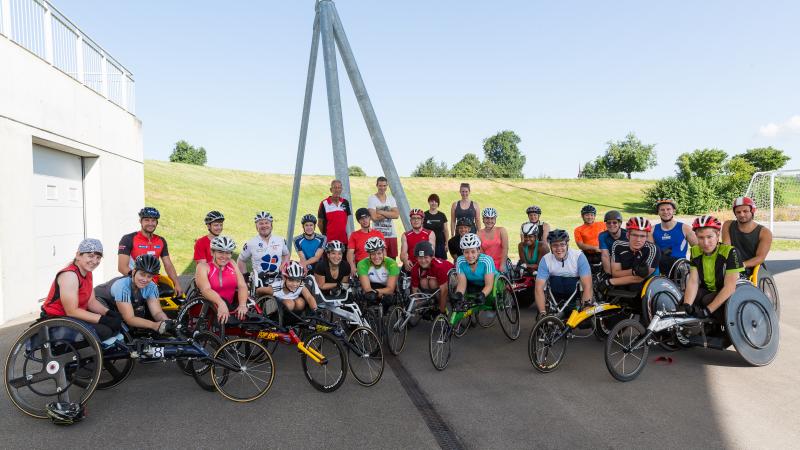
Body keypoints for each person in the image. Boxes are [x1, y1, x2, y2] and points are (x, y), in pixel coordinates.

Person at [41, 238, 123, 341]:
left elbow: (91, 302)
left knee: (114, 327)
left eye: (98, 257)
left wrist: (108, 313)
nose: (95, 261)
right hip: (57, 319)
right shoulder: (69, 275)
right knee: (104, 331)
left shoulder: (88, 272)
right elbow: (72, 311)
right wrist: (103, 319)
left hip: (73, 318)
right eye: (90, 256)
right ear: (78, 255)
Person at [683, 215, 744, 322]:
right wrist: (687, 305)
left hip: (732, 292)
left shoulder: (730, 252)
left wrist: (707, 311)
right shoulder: (695, 251)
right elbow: (693, 281)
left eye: (709, 237)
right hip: (709, 290)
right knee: (684, 302)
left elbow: (730, 287)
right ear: (696, 236)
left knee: (707, 300)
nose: (705, 243)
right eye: (701, 238)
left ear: (717, 235)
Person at [95, 254, 173, 334]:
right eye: (142, 274)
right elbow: (130, 319)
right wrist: (154, 325)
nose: (145, 279)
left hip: (116, 304)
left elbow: (157, 312)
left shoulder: (152, 286)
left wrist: (166, 321)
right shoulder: (122, 286)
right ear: (134, 272)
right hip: (99, 301)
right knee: (112, 330)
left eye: (149, 276)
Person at [118, 207, 183, 298]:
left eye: (153, 220)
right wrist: (141, 281)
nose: (150, 223)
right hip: (134, 283)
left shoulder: (161, 240)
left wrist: (176, 283)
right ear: (140, 221)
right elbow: (122, 267)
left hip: (154, 283)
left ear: (157, 223)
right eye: (146, 220)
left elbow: (168, 265)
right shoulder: (128, 239)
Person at [533, 230, 593, 319]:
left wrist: (585, 309)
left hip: (575, 296)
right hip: (555, 296)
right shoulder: (545, 259)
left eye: (562, 244)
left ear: (567, 244)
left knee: (585, 322)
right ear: (550, 246)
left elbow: (588, 286)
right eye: (555, 245)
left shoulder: (579, 257)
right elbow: (539, 288)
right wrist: (542, 312)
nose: (559, 248)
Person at [196, 236, 249, 325]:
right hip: (209, 307)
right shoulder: (203, 267)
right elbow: (206, 290)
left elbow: (242, 285)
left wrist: (243, 305)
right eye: (220, 252)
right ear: (212, 252)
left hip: (229, 305)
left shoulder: (232, 263)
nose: (224, 256)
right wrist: (221, 303)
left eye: (228, 253)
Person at [600, 217, 660, 295]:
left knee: (634, 287)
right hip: (625, 281)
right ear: (628, 235)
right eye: (635, 235)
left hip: (648, 283)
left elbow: (639, 278)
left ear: (646, 237)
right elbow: (615, 273)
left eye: (642, 236)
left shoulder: (653, 249)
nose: (638, 240)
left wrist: (609, 282)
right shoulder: (618, 245)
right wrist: (634, 272)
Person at [237, 211, 290, 297]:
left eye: (266, 223)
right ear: (256, 226)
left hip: (277, 278)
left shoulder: (280, 240)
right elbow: (241, 260)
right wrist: (245, 277)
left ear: (271, 225)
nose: (264, 225)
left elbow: (286, 254)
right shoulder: (251, 243)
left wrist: (283, 265)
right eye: (260, 223)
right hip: (259, 280)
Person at [722, 196, 772, 277]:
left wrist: (741, 265)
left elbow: (760, 257)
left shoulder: (765, 232)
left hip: (754, 270)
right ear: (735, 213)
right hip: (732, 268)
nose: (742, 214)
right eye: (738, 212)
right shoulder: (728, 225)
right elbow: (726, 248)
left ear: (752, 211)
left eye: (745, 211)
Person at [451, 233, 496, 311]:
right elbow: (462, 284)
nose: (470, 256)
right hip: (474, 283)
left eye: (473, 252)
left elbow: (489, 285)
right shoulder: (460, 261)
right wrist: (458, 295)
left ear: (478, 251)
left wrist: (483, 294)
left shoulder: (487, 260)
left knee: (490, 299)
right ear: (462, 252)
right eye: (466, 252)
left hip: (490, 283)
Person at [652, 199, 697, 275]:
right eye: (662, 210)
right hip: (660, 268)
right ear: (658, 212)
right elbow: (651, 252)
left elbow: (698, 248)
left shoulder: (685, 228)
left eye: (668, 209)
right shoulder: (652, 230)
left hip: (680, 268)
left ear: (674, 211)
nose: (665, 212)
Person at [410, 241, 454, 314]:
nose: (423, 261)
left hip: (453, 277)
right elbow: (414, 287)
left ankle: (441, 304)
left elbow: (444, 290)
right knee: (423, 282)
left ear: (432, 257)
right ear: (416, 258)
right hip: (436, 280)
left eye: (426, 257)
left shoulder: (439, 267)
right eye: (420, 258)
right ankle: (434, 302)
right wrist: (418, 304)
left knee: (432, 282)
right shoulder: (415, 268)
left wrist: (442, 310)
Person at [358, 237, 400, 308]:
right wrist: (375, 293)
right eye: (373, 254)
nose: (376, 257)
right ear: (369, 254)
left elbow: (390, 289)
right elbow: (367, 288)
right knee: (369, 297)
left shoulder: (391, 263)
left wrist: (377, 293)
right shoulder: (362, 264)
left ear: (383, 252)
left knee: (388, 300)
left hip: (387, 288)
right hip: (372, 287)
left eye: (379, 253)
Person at [368, 176, 400, 259]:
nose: (382, 188)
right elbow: (374, 217)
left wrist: (380, 211)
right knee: (379, 259)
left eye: (384, 185)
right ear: (377, 185)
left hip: (391, 235)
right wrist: (389, 212)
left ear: (387, 186)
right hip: (377, 235)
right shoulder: (372, 199)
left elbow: (396, 215)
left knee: (392, 260)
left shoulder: (391, 199)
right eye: (380, 185)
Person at [347, 207, 385, 273]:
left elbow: (384, 251)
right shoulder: (354, 235)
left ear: (370, 218)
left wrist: (384, 265)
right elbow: (350, 253)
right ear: (359, 221)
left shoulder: (378, 234)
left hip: (377, 264)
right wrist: (352, 266)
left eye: (366, 217)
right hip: (362, 266)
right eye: (361, 219)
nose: (364, 220)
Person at [318, 179, 352, 246]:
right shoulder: (324, 203)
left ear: (341, 189)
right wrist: (325, 235)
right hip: (329, 241)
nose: (337, 190)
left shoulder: (345, 202)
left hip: (343, 240)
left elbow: (346, 222)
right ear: (331, 189)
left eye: (339, 187)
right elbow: (320, 223)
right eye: (335, 187)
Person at [478, 207, 509, 272]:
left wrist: (502, 265)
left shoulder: (501, 230)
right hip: (488, 263)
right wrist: (487, 265)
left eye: (492, 218)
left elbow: (505, 248)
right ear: (483, 219)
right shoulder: (479, 233)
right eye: (487, 218)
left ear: (495, 219)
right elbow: (481, 253)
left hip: (501, 261)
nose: (489, 221)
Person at [598, 210, 627, 274]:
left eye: (614, 222)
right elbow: (605, 256)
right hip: (613, 261)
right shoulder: (602, 236)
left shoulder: (627, 235)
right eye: (608, 223)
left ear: (620, 223)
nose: (611, 225)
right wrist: (609, 274)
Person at [423, 193, 449, 259]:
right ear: (429, 202)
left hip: (440, 243)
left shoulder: (442, 215)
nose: (434, 203)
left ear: (438, 203)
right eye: (432, 201)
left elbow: (446, 230)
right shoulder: (424, 215)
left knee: (442, 262)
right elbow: (421, 230)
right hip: (428, 243)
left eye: (436, 201)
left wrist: (447, 243)